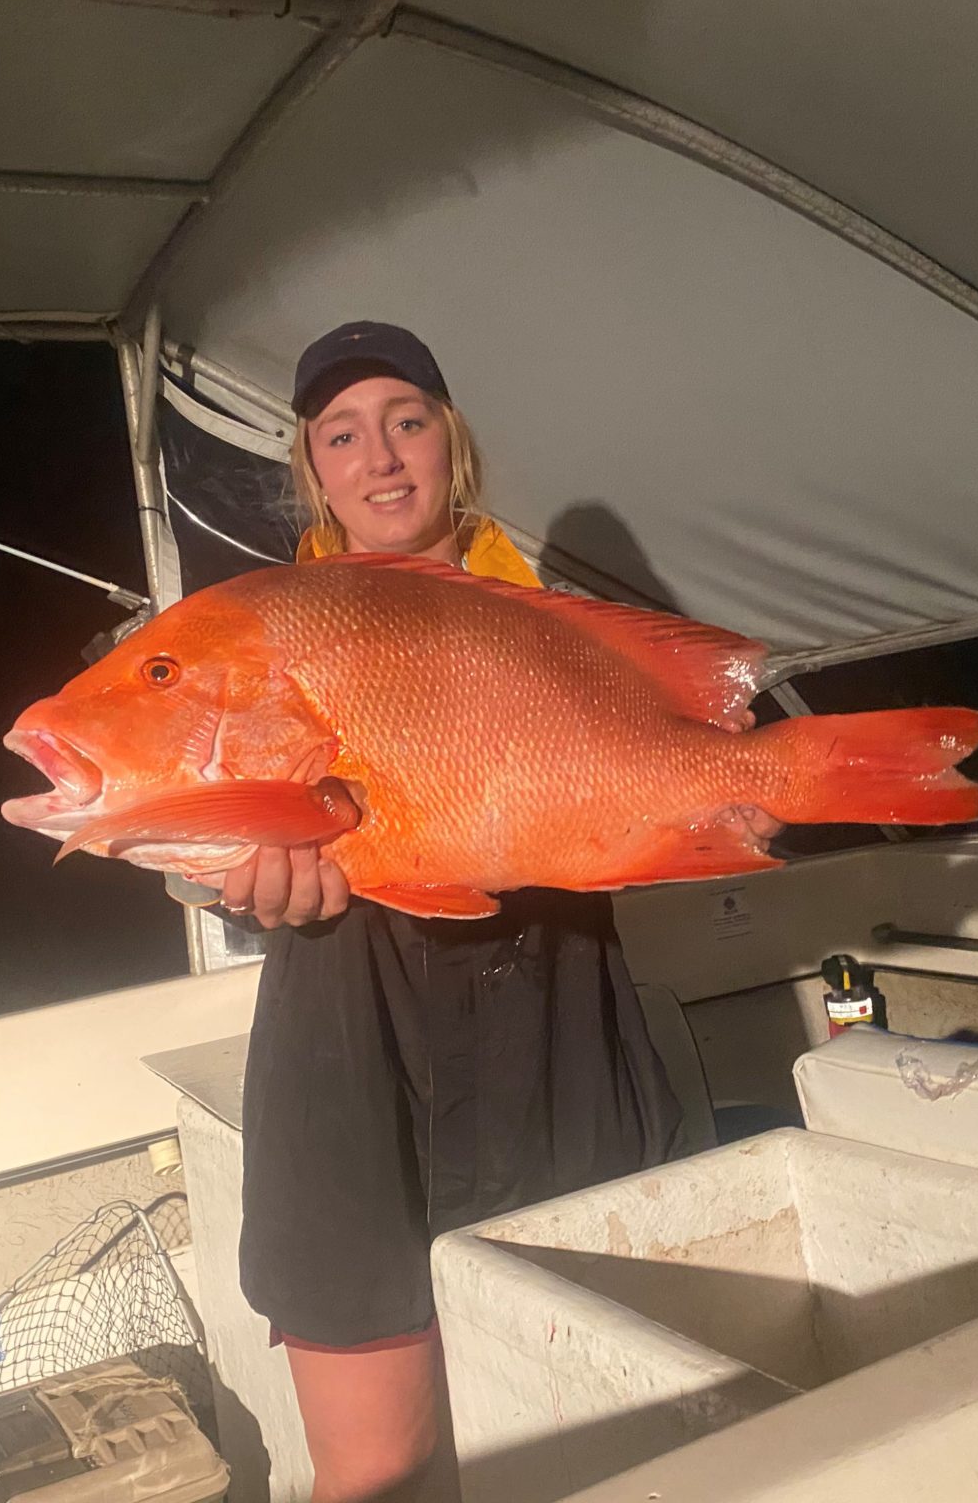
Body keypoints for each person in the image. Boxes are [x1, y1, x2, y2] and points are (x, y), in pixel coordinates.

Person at [214, 323, 765, 1503]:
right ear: (313, 470)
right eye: (342, 434)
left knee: (585, 1425)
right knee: (375, 1464)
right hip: (347, 1050)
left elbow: (661, 767)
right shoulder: (264, 633)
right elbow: (184, 807)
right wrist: (221, 871)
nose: (382, 459)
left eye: (407, 420)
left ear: (450, 444)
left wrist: (725, 801)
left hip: (559, 1031)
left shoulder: (559, 623)